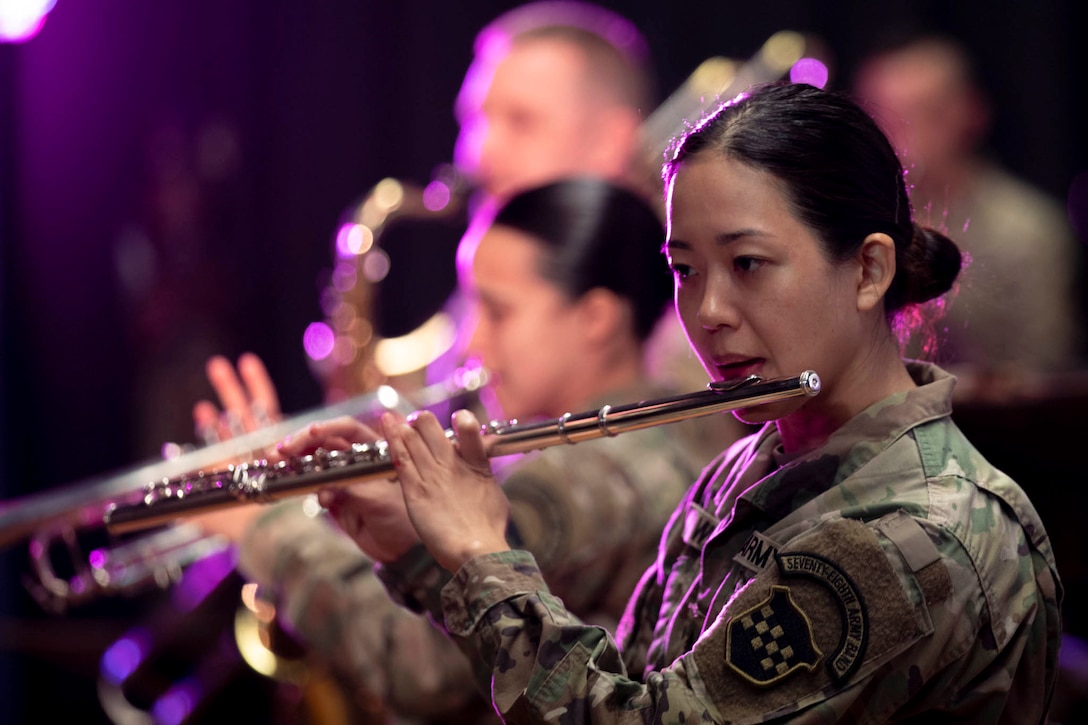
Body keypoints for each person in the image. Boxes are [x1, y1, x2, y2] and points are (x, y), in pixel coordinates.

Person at [301, 82, 1063, 722]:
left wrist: (480, 556)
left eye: (748, 264)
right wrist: (424, 548)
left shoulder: (912, 532)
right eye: (687, 270)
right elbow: (622, 683)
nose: (708, 313)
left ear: (867, 270)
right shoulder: (747, 467)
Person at [210, 178, 718, 721]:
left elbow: (417, 668)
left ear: (595, 317)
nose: (473, 343)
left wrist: (265, 528)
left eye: (497, 312)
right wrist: (407, 541)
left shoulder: (583, 477)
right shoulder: (670, 431)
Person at [852, 35, 1084, 388]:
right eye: (888, 119)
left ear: (972, 113)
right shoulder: (848, 224)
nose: (905, 139)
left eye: (928, 114)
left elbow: (1041, 371)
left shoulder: (1028, 230)